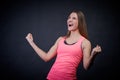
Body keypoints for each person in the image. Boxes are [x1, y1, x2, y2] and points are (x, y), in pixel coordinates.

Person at [25, 10, 102, 80]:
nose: (70, 20)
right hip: (51, 77)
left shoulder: (85, 42)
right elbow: (46, 57)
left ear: (80, 22)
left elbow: (86, 67)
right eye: (69, 18)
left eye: (74, 18)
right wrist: (31, 42)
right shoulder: (60, 39)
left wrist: (93, 55)